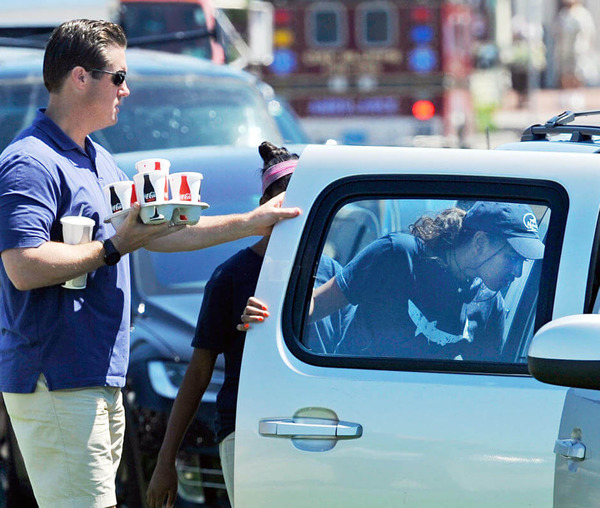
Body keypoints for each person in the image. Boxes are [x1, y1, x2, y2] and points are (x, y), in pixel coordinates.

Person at [0, 20, 299, 508]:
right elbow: (24, 264)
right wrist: (114, 246)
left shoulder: (97, 159)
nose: (126, 89)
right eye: (117, 77)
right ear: (80, 77)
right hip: (57, 377)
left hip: (96, 376)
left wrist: (252, 221)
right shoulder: (30, 162)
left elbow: (160, 232)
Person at [146, 141, 352, 508]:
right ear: (264, 209)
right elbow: (198, 373)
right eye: (283, 205)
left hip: (319, 427)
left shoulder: (332, 274)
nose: (293, 215)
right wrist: (166, 461)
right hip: (248, 429)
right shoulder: (231, 277)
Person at [241, 201, 545, 362]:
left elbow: (486, 390)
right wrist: (266, 314)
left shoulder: (492, 305)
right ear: (479, 242)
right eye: (513, 258)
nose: (518, 272)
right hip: (354, 410)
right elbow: (313, 307)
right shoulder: (397, 254)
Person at [554, 0, 596, 89]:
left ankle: (577, 94)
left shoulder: (583, 14)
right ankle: (567, 94)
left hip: (579, 51)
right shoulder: (563, 14)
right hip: (564, 51)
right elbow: (557, 32)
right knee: (565, 73)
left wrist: (587, 48)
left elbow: (589, 33)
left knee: (579, 74)